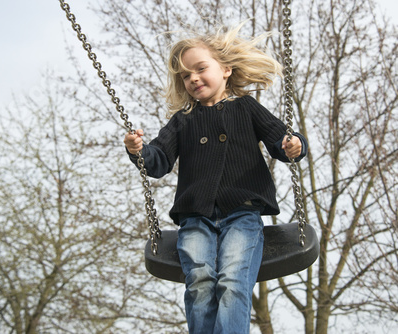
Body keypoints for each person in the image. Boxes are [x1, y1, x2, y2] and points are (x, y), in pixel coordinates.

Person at [124, 23, 308, 334]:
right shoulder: (182, 121)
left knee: (233, 279)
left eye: (200, 68)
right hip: (196, 218)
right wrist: (139, 150)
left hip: (243, 213)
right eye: (185, 75)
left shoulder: (246, 108)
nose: (193, 78)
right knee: (199, 281)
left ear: (225, 69)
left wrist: (293, 145)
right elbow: (158, 160)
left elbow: (282, 140)